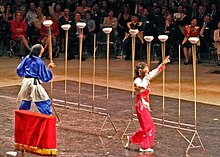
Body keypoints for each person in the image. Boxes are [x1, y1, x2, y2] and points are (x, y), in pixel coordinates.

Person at [124, 56, 170, 152]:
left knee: (146, 127)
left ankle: (132, 139)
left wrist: (163, 64)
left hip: (143, 105)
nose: (148, 69)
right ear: (142, 70)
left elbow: (155, 71)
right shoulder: (138, 80)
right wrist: (146, 77)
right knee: (150, 127)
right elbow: (142, 86)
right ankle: (144, 146)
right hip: (141, 105)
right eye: (146, 68)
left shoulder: (145, 77)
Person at [17, 44, 56, 115]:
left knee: (26, 100)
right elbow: (44, 77)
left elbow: (19, 69)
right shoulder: (39, 61)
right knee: (43, 100)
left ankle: (22, 117)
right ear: (40, 51)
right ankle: (47, 117)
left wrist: (24, 73)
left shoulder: (27, 58)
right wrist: (49, 68)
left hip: (25, 81)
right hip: (33, 82)